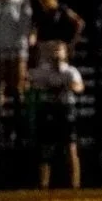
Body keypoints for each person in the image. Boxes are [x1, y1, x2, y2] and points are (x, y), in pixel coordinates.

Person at [30, 40, 85, 189]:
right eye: (53, 50)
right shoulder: (44, 71)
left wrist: (67, 86)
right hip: (49, 109)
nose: (56, 53)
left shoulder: (70, 71)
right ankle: (43, 184)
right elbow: (30, 81)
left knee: (71, 147)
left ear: (65, 53)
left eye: (59, 50)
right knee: (46, 149)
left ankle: (75, 185)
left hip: (66, 110)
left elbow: (79, 86)